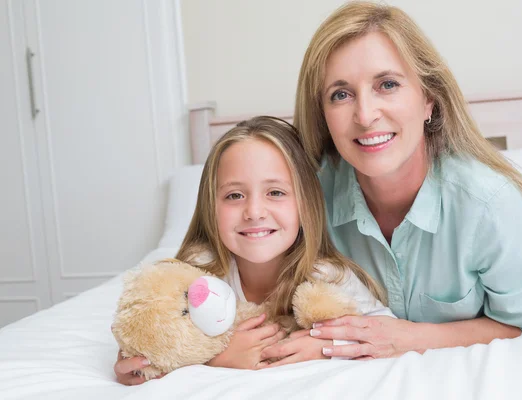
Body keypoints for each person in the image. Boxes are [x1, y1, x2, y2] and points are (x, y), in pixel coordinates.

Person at [261, 1, 522, 361]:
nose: (366, 115)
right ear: (322, 114)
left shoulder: (492, 206)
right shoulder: (307, 199)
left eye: (387, 84)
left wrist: (410, 337)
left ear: (428, 98)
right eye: (341, 94)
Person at [114, 116, 393, 384]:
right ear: (211, 207)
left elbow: (385, 330)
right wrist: (215, 358)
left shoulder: (327, 277)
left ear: (304, 204)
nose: (254, 212)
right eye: (234, 195)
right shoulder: (198, 277)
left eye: (275, 192)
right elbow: (155, 336)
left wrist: (327, 347)